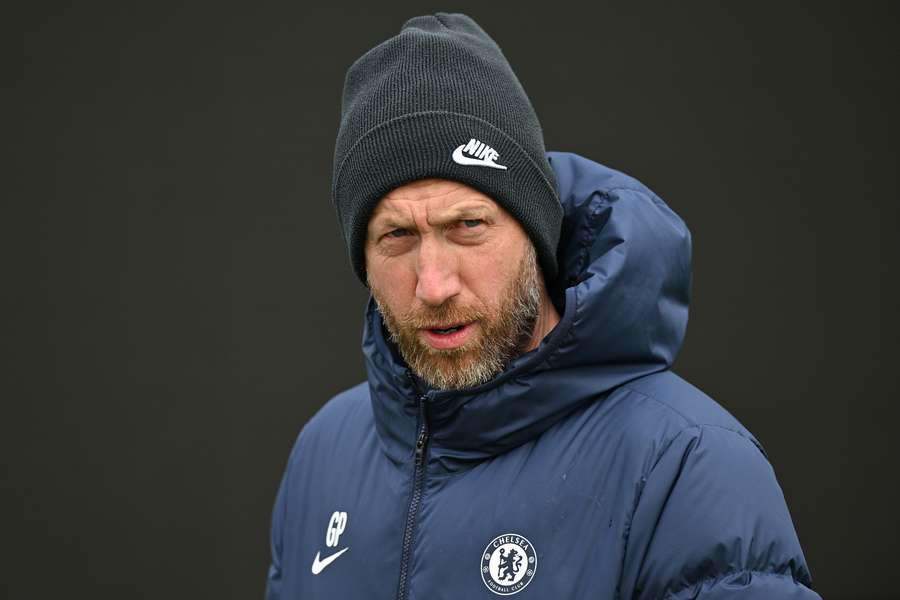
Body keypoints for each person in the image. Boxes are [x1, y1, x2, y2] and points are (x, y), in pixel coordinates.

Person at [265, 12, 820, 599]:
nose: (433, 285)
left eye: (468, 226)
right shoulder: (325, 450)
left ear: (536, 232)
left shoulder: (684, 463)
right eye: (396, 237)